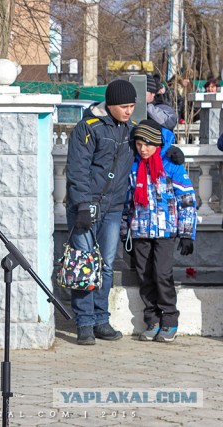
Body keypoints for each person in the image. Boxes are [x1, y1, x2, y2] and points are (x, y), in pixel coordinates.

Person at [65, 79, 184, 346]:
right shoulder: (88, 128)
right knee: (86, 265)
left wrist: (171, 153)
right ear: (110, 104)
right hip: (87, 206)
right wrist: (83, 204)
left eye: (132, 106)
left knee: (106, 266)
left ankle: (100, 319)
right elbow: (77, 169)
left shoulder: (130, 130)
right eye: (124, 106)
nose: (129, 111)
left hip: (113, 208)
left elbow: (152, 142)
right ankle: (84, 322)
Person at [122, 120, 197, 342]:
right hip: (140, 231)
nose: (142, 149)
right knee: (145, 276)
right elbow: (128, 203)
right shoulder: (133, 166)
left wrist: (186, 233)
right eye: (138, 144)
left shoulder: (171, 165)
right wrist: (125, 231)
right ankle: (152, 319)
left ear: (156, 143)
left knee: (162, 274)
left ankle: (170, 319)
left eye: (146, 144)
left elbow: (187, 200)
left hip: (166, 231)